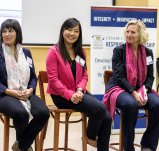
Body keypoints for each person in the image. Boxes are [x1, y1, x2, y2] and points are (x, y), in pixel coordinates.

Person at [46, 18, 112, 151]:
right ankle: (89, 137)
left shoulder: (80, 52)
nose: (72, 33)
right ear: (63, 31)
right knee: (99, 108)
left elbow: (84, 75)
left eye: (76, 31)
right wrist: (70, 95)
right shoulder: (54, 52)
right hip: (61, 96)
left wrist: (79, 89)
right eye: (69, 29)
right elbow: (53, 80)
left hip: (78, 92)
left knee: (107, 117)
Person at [0, 19, 49, 151]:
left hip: (25, 92)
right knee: (21, 114)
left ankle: (21, 145)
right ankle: (24, 147)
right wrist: (10, 92)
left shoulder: (26, 53)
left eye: (11, 31)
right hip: (2, 95)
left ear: (17, 33)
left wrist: (31, 90)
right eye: (4, 31)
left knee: (44, 113)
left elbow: (32, 76)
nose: (7, 34)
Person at [103, 20, 159, 151]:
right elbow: (119, 76)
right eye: (127, 31)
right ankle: (128, 147)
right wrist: (134, 93)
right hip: (119, 88)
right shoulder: (119, 51)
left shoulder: (148, 52)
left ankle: (148, 145)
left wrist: (144, 91)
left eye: (133, 32)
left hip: (140, 89)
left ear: (140, 34)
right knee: (131, 104)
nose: (128, 34)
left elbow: (150, 77)